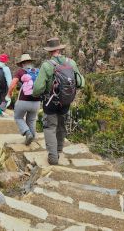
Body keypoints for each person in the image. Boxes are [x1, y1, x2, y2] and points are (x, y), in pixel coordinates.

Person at [32, 37, 85, 165]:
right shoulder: (71, 63)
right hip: (66, 101)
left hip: (50, 102)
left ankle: (53, 157)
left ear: (50, 51)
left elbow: (38, 88)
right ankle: (59, 149)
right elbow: (81, 83)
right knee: (61, 125)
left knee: (50, 127)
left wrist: (36, 94)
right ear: (60, 49)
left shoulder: (47, 65)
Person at [6, 53, 40, 145]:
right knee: (32, 120)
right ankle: (32, 137)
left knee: (18, 117)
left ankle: (27, 133)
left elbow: (13, 84)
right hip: (37, 102)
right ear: (30, 62)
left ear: (22, 64)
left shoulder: (20, 72)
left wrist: (9, 94)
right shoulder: (38, 71)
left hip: (23, 101)